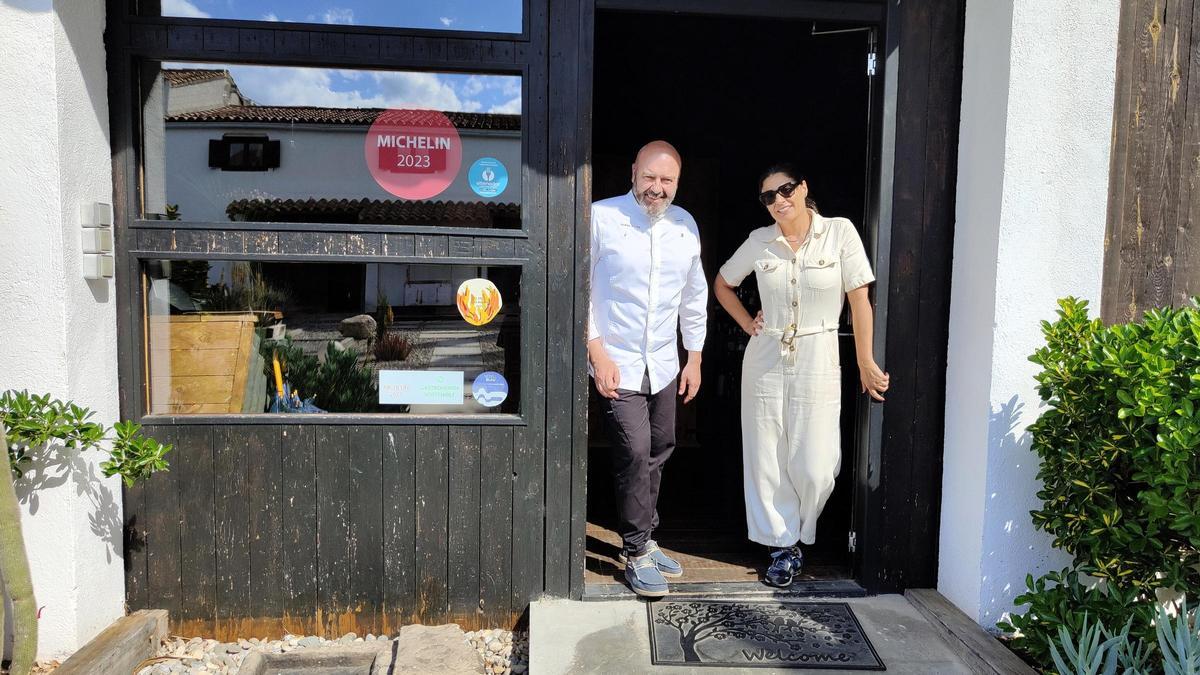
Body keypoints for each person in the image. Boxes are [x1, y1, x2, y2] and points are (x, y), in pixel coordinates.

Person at [714, 163, 889, 588]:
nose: (779, 200)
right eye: (768, 196)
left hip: (819, 351)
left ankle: (802, 527)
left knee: (816, 462)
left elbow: (859, 299)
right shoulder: (760, 241)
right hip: (767, 355)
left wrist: (865, 360)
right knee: (767, 455)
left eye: (786, 190)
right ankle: (783, 545)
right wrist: (746, 324)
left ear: (803, 188)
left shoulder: (840, 232)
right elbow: (722, 284)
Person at [587, 140, 708, 597]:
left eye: (667, 181)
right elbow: (580, 287)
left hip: (663, 361)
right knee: (634, 452)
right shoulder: (601, 217)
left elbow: (694, 296)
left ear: (677, 183)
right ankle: (635, 551)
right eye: (650, 177)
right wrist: (597, 353)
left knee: (661, 446)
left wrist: (694, 357)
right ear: (634, 171)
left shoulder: (684, 225)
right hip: (615, 359)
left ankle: (647, 536)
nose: (656, 188)